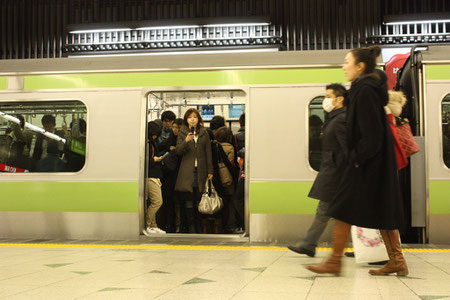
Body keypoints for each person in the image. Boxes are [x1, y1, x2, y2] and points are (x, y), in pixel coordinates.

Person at [306, 45, 407, 276]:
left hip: (367, 162)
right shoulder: (369, 86)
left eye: (346, 62)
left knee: (342, 208)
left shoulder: (365, 90)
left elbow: (370, 134)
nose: (343, 67)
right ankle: (397, 260)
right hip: (375, 162)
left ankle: (334, 261)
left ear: (360, 66)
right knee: (382, 209)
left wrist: (356, 159)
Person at [288, 84, 348, 257]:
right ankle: (309, 244)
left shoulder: (341, 119)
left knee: (330, 212)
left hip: (337, 175)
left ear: (340, 99)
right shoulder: (334, 118)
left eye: (329, 96)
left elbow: (346, 150)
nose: (326, 100)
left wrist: (341, 173)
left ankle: (312, 245)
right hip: (333, 173)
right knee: (325, 211)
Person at [175, 108, 213, 233]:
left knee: (199, 198)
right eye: (190, 117)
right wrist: (186, 141)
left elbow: (208, 152)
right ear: (186, 119)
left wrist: (210, 170)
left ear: (198, 119)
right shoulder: (182, 133)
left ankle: (199, 227)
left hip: (201, 170)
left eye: (195, 117)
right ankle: (191, 228)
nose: (192, 119)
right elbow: (178, 151)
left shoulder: (204, 132)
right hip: (187, 171)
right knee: (189, 199)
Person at [143, 121, 166, 235]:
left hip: (154, 175)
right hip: (150, 176)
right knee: (157, 201)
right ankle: (147, 224)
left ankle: (153, 225)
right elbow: (145, 161)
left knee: (155, 201)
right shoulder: (147, 144)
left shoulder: (151, 143)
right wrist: (155, 160)